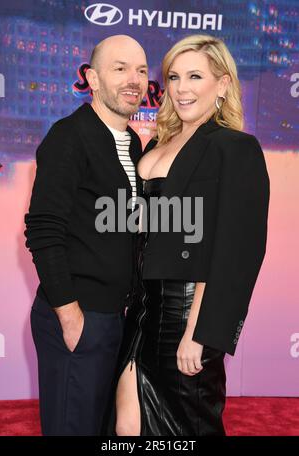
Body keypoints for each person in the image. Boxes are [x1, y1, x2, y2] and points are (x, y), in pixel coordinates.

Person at [114, 34, 270, 436]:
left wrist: (199, 335)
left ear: (221, 85)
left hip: (187, 313)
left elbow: (233, 252)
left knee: (187, 428)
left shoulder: (235, 148)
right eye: (175, 77)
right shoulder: (157, 144)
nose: (182, 89)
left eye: (195, 76)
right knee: (128, 425)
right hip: (142, 313)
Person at [24, 35, 148, 436]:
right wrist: (69, 314)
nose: (134, 79)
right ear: (92, 79)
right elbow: (44, 229)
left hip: (115, 320)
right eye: (120, 68)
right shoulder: (69, 137)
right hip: (77, 318)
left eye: (142, 70)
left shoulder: (131, 142)